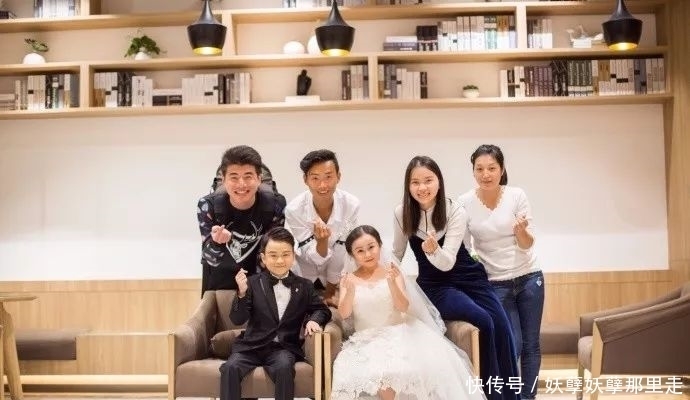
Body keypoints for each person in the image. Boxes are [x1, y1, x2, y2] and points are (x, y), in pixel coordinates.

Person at [392, 155, 520, 400]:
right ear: (408, 186)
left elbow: (448, 261)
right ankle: (489, 396)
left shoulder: (455, 210)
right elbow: (396, 254)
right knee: (484, 321)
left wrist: (433, 250)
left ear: (439, 182)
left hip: (470, 277)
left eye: (428, 180)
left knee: (503, 328)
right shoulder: (402, 213)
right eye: (415, 182)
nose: (422, 187)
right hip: (435, 285)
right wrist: (380, 278)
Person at [330, 225, 485, 400]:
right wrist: (350, 292)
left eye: (371, 247)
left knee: (401, 372)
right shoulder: (348, 279)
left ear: (380, 245)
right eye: (360, 251)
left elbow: (403, 306)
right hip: (366, 339)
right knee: (372, 376)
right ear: (352, 255)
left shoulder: (393, 272)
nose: (367, 254)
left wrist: (392, 284)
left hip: (398, 334)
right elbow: (344, 313)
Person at [459, 144, 544, 400]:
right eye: (480, 169)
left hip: (529, 278)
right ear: (473, 171)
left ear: (502, 169)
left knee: (531, 345)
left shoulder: (517, 195)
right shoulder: (464, 203)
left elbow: (527, 244)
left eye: (492, 168)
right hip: (495, 283)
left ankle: (528, 397)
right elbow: (465, 248)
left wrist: (521, 232)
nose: (486, 174)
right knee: (512, 344)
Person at [219, 227, 332, 400]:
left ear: (293, 256)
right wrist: (241, 293)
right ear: (263, 258)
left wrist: (314, 320)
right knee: (230, 368)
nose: (280, 260)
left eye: (286, 254)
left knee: (284, 368)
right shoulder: (252, 283)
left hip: (283, 348)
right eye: (273, 255)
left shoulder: (305, 286)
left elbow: (322, 310)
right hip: (251, 347)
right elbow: (237, 319)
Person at [197, 145, 286, 295]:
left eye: (248, 176)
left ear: (259, 179)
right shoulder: (207, 205)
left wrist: (250, 289)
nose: (241, 184)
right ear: (223, 180)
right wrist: (216, 243)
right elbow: (210, 259)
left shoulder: (276, 204)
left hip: (260, 282)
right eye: (234, 177)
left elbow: (273, 252)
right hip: (221, 284)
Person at [284, 149, 359, 306]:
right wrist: (322, 242)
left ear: (338, 176)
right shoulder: (294, 210)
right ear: (305, 180)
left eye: (328, 177)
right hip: (304, 275)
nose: (323, 185)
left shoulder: (351, 205)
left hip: (336, 278)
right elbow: (311, 255)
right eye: (315, 178)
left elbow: (341, 250)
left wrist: (330, 291)